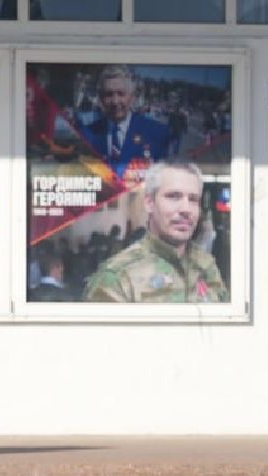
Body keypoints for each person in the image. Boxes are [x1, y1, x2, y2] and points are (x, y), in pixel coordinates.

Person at [83, 160, 227, 302]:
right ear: (149, 203)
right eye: (173, 196)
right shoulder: (118, 277)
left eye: (193, 199)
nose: (186, 209)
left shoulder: (206, 266)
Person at [76, 65, 177, 180]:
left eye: (121, 94)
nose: (115, 101)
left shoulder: (157, 133)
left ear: (132, 97)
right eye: (109, 94)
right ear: (100, 98)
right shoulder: (87, 134)